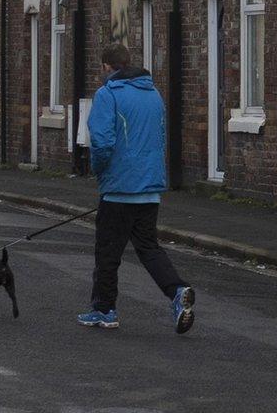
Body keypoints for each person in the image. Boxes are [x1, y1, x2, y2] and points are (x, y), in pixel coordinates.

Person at [78, 44, 195, 333]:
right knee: (149, 248)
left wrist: (99, 171)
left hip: (119, 188)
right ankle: (177, 291)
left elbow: (102, 143)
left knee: (108, 252)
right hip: (149, 188)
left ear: (108, 67)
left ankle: (105, 310)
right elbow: (160, 137)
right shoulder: (153, 94)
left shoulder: (108, 95)